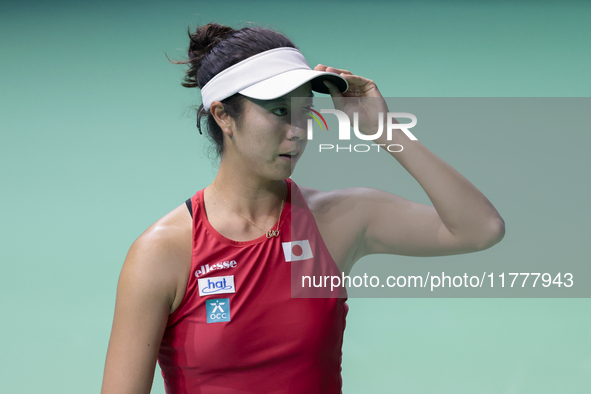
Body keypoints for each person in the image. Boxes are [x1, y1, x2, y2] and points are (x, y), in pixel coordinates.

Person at [100, 22, 505, 394]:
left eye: (304, 111)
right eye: (279, 112)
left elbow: (480, 228)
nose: (297, 131)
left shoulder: (338, 219)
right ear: (224, 115)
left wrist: (387, 133)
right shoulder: (164, 252)